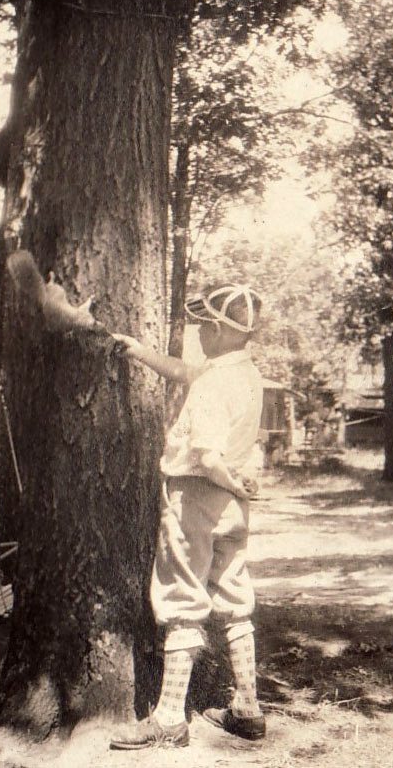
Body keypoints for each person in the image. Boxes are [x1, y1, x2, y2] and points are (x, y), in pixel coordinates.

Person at [110, 282, 266, 750]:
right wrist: (138, 351)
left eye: (203, 325)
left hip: (199, 495)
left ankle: (168, 717)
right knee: (235, 599)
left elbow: (208, 456)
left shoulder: (215, 384)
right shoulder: (244, 373)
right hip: (232, 509)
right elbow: (183, 371)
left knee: (183, 597)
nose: (198, 331)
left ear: (218, 329)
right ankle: (248, 709)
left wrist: (231, 482)